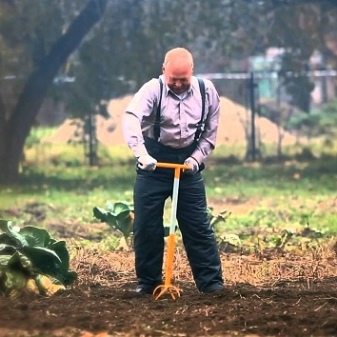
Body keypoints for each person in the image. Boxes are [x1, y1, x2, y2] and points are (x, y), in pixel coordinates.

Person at [122, 47, 224, 294]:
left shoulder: (206, 91)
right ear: (163, 70)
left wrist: (196, 159)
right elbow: (131, 118)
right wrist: (142, 155)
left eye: (184, 79)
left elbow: (210, 132)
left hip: (188, 164)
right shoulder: (152, 90)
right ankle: (148, 283)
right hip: (153, 164)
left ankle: (211, 284)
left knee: (197, 225)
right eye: (173, 79)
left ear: (192, 72)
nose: (178, 84)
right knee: (146, 226)